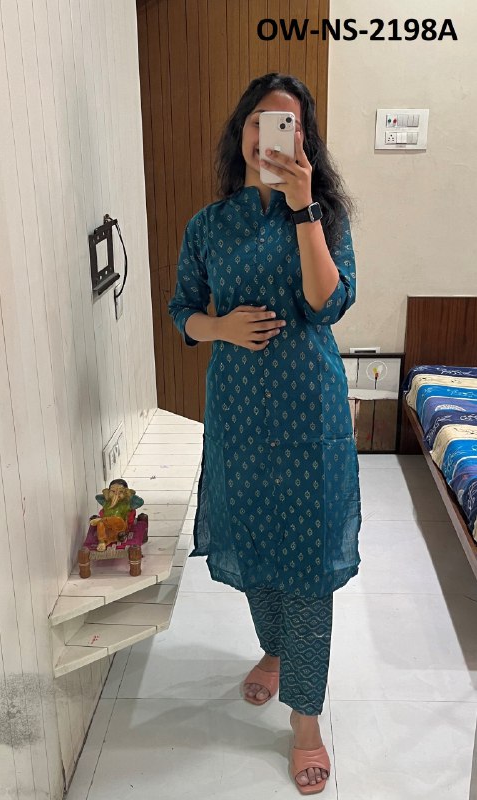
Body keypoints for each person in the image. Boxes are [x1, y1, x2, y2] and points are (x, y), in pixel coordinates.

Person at [168, 72, 361, 795]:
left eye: (287, 124)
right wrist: (220, 327)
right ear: (240, 131)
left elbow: (326, 303)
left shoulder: (326, 218)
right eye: (258, 120)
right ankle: (274, 652)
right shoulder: (208, 225)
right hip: (239, 414)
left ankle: (305, 722)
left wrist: (304, 209)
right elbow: (183, 311)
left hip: (310, 414)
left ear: (305, 140)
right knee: (252, 544)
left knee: (308, 562)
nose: (268, 135)